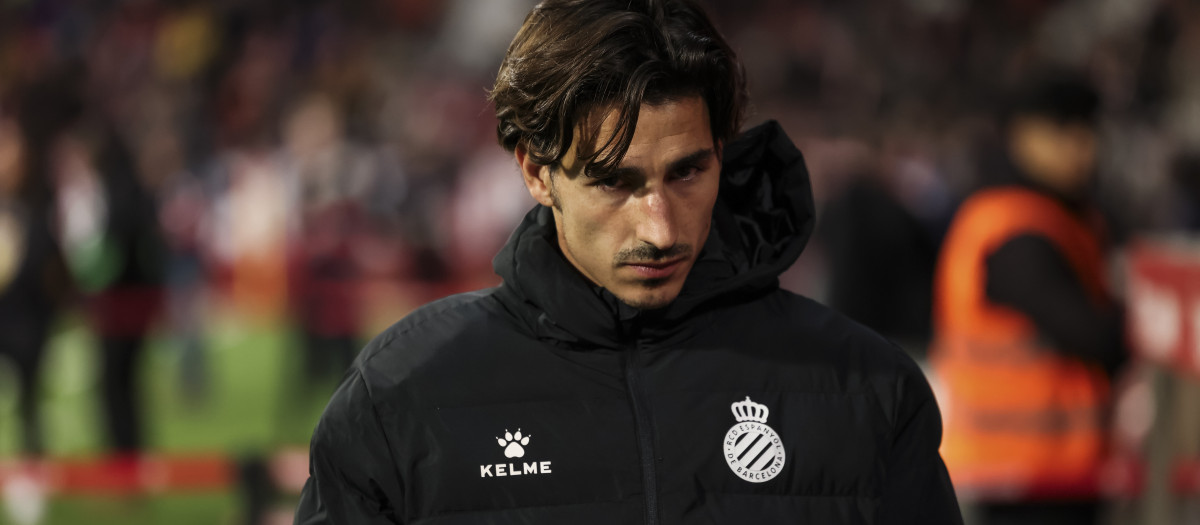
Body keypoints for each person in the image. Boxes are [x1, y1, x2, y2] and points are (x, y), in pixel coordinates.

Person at [295, 1, 962, 523]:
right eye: (615, 182)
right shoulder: (402, 394)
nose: (660, 226)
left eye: (688, 172)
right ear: (535, 169)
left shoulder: (867, 388)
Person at [930, 71, 1126, 525]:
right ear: (1023, 134)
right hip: (1031, 475)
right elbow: (1093, 335)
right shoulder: (1016, 228)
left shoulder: (1056, 215)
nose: (1083, 147)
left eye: (1088, 130)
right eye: (1064, 130)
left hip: (1053, 468)